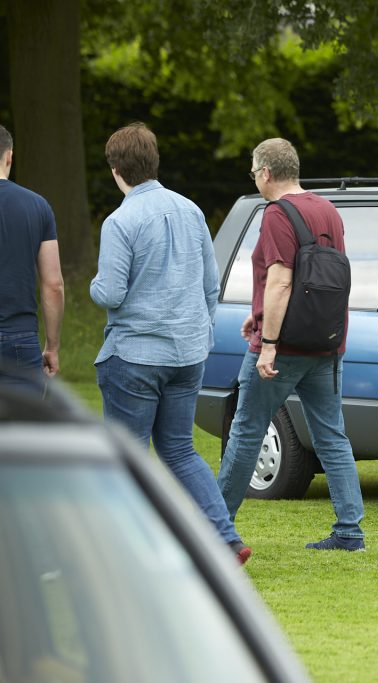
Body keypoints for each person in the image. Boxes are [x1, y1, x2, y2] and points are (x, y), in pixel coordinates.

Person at [90, 123, 251, 565]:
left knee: (127, 457)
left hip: (135, 356)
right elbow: (210, 285)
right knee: (180, 450)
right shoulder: (191, 211)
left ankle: (129, 552)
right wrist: (197, 330)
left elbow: (111, 293)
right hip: (188, 354)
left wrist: (93, 286)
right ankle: (226, 539)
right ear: (153, 161)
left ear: (116, 168)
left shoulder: (120, 221)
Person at [217, 137, 366, 552]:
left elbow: (283, 279)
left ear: (265, 173)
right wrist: (259, 311)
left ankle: (216, 529)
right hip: (327, 343)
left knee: (246, 433)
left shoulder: (277, 215)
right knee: (332, 436)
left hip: (282, 350)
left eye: (253, 171)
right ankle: (350, 531)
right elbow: (320, 279)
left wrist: (267, 343)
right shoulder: (329, 211)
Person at [0, 124, 64, 383]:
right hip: (20, 336)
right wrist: (53, 346)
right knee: (24, 424)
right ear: (9, 156)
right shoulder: (37, 205)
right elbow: (53, 285)